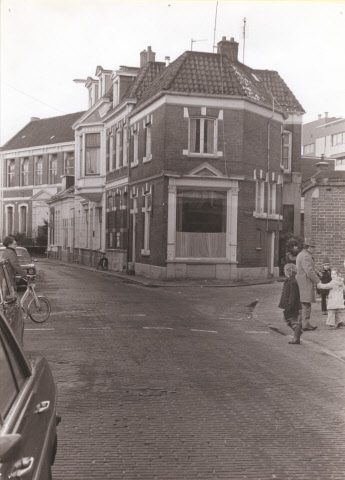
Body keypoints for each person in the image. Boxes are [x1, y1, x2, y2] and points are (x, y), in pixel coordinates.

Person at [296, 238, 320, 331]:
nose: (314, 249)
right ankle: (305, 325)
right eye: (313, 247)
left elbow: (310, 267)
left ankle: (301, 323)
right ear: (309, 247)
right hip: (305, 283)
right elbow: (309, 271)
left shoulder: (302, 254)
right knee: (306, 304)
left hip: (302, 283)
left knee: (303, 304)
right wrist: (318, 281)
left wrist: (317, 272)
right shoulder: (306, 256)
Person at [278, 263, 303, 345]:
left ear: (289, 271)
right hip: (289, 305)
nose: (284, 271)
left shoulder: (292, 282)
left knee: (293, 321)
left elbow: (293, 295)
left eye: (285, 270)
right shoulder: (289, 280)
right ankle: (298, 331)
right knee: (287, 319)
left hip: (292, 306)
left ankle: (296, 338)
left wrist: (290, 305)